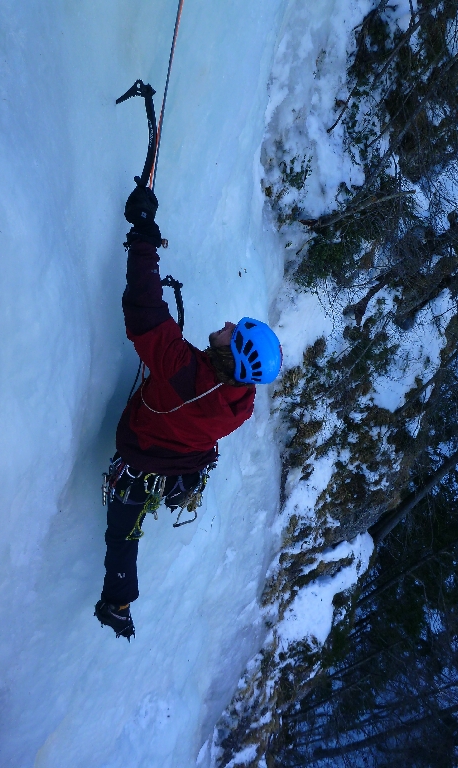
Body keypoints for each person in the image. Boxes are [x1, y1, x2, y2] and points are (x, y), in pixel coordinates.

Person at [94, 184, 283, 640]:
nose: (225, 324)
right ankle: (120, 597)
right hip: (179, 458)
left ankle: (117, 604)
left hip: (141, 455)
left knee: (122, 534)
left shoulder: (184, 375)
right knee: (128, 531)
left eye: (232, 331)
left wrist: (144, 236)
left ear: (231, 356)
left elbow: (145, 311)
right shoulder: (240, 400)